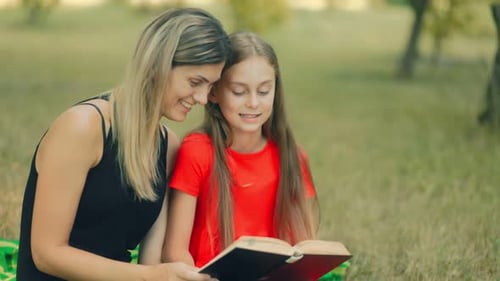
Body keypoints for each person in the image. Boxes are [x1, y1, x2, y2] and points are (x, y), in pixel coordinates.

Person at [16, 7, 230, 281]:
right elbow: (47, 253)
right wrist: (151, 276)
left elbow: (151, 261)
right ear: (158, 65)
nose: (202, 98)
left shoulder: (168, 147)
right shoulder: (83, 128)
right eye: (195, 82)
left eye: (210, 87)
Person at [162, 31, 318, 268]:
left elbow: (305, 248)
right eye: (239, 91)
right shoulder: (198, 151)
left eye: (264, 91)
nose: (253, 103)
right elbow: (175, 251)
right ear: (214, 92)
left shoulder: (292, 157)